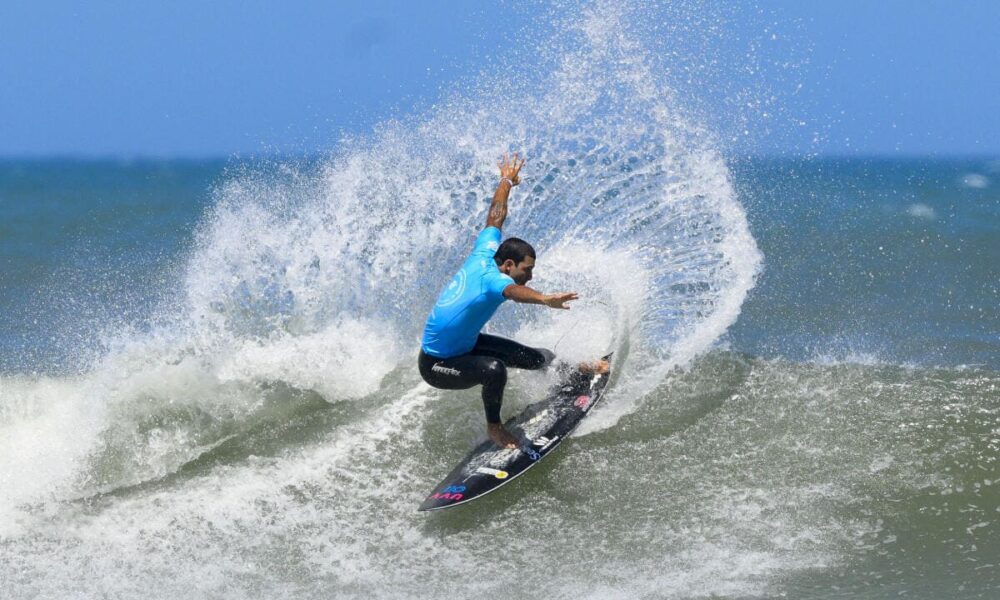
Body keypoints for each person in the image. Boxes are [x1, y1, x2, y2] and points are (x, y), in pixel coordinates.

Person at [418, 152, 609, 449]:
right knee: (494, 369)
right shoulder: (496, 280)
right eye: (526, 270)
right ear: (508, 265)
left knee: (538, 357)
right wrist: (545, 299)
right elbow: (514, 293)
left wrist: (506, 181)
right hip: (437, 364)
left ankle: (573, 370)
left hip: (466, 344)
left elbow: (496, 215)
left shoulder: (484, 250)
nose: (529, 276)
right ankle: (495, 428)